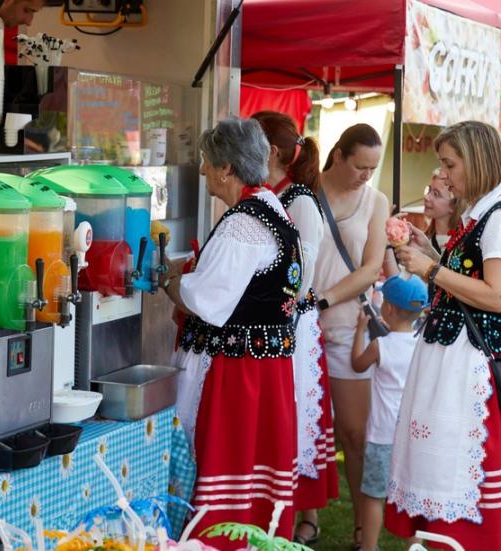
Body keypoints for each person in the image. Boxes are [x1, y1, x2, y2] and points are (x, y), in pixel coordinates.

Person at [391, 121, 501, 549]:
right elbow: (470, 280)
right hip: (455, 357)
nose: (444, 174)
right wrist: (432, 252)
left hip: (470, 366)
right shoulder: (483, 213)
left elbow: (497, 296)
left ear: (476, 161)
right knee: (439, 466)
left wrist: (432, 269)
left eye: (450, 164)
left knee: (455, 469)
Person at [166, 117, 301, 548]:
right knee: (254, 474)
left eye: (208, 161)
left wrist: (168, 281)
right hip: (264, 369)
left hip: (237, 372)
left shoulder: (244, 224)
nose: (203, 169)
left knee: (226, 466)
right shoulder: (273, 209)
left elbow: (206, 299)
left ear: (226, 168)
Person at [252, 111, 338, 546]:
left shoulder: (299, 200)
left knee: (295, 414)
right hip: (278, 320)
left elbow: (300, 277)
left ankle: (298, 512)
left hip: (293, 324)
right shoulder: (271, 194)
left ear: (270, 152)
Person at [312, 123, 388, 549]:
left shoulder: (376, 201)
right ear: (338, 155)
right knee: (305, 428)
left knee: (354, 433)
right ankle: (307, 517)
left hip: (347, 327)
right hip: (300, 327)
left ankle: (362, 526)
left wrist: (323, 300)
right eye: (361, 166)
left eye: (373, 168)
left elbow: (372, 267)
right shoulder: (305, 189)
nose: (366, 175)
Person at [351, 274, 427, 551]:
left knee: (373, 496)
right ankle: (415, 546)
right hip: (412, 437)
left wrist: (360, 330)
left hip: (382, 436)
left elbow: (357, 365)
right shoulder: (423, 346)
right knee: (410, 495)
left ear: (389, 308)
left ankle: (368, 547)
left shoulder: (380, 346)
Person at [423, 168, 460, 254]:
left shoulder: (461, 245)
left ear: (453, 206)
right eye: (429, 190)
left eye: (436, 194)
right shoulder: (422, 239)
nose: (426, 197)